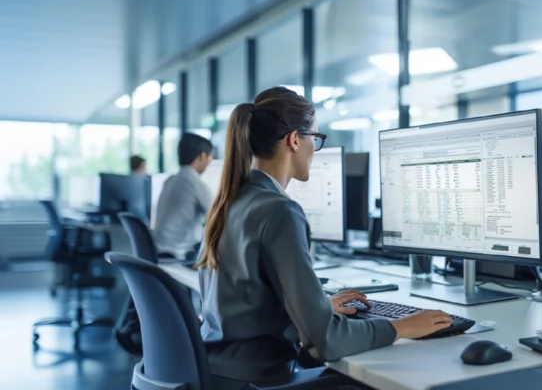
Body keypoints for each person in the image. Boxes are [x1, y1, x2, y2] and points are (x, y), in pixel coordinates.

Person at [196, 87, 452, 389]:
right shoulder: (279, 211)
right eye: (314, 139)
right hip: (256, 381)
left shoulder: (231, 200)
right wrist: (401, 326)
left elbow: (246, 303)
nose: (314, 150)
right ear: (294, 140)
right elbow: (325, 341)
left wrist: (317, 306)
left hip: (219, 372)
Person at [153, 133, 214, 260]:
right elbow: (218, 217)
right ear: (202, 156)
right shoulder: (194, 182)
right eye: (210, 157)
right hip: (179, 255)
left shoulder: (170, 180)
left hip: (158, 252)